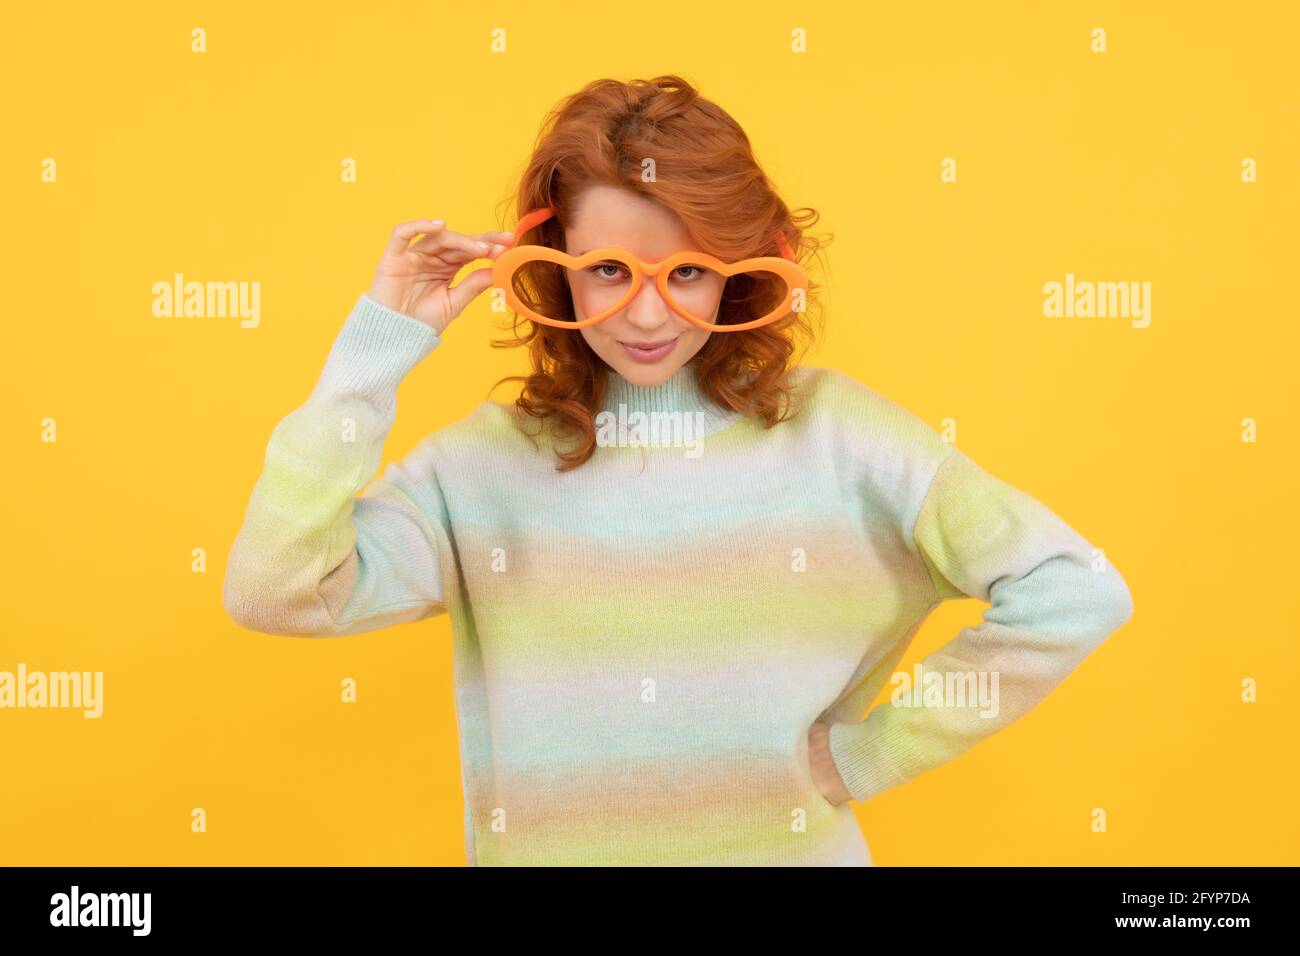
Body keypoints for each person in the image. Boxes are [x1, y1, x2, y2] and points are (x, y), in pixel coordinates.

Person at [222, 74, 1134, 866]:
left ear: (738, 272)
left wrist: (866, 755)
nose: (649, 314)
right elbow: (275, 591)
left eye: (687, 273)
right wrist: (376, 352)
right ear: (556, 272)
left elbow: (1075, 590)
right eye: (609, 269)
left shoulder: (841, 439)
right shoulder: (482, 469)